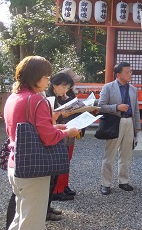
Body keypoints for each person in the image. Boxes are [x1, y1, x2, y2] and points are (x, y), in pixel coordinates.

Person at [3, 56, 79, 230]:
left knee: (21, 217)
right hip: (33, 170)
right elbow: (48, 137)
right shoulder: (37, 99)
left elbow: (32, 128)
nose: (48, 81)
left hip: (15, 163)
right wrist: (68, 132)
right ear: (36, 76)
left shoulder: (13, 98)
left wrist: (57, 126)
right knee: (33, 222)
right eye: (46, 76)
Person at [99, 62, 141, 195]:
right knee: (109, 154)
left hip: (129, 121)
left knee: (126, 154)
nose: (130, 74)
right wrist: (117, 107)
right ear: (118, 74)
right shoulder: (108, 87)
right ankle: (105, 183)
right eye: (127, 72)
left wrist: (137, 126)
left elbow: (136, 109)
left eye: (130, 72)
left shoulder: (133, 89)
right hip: (115, 121)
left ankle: (124, 181)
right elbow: (101, 106)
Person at [52, 68, 83, 200]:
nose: (71, 87)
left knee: (67, 160)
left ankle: (64, 185)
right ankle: (56, 189)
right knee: (60, 160)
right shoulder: (52, 98)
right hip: (60, 132)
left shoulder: (70, 95)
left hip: (71, 131)